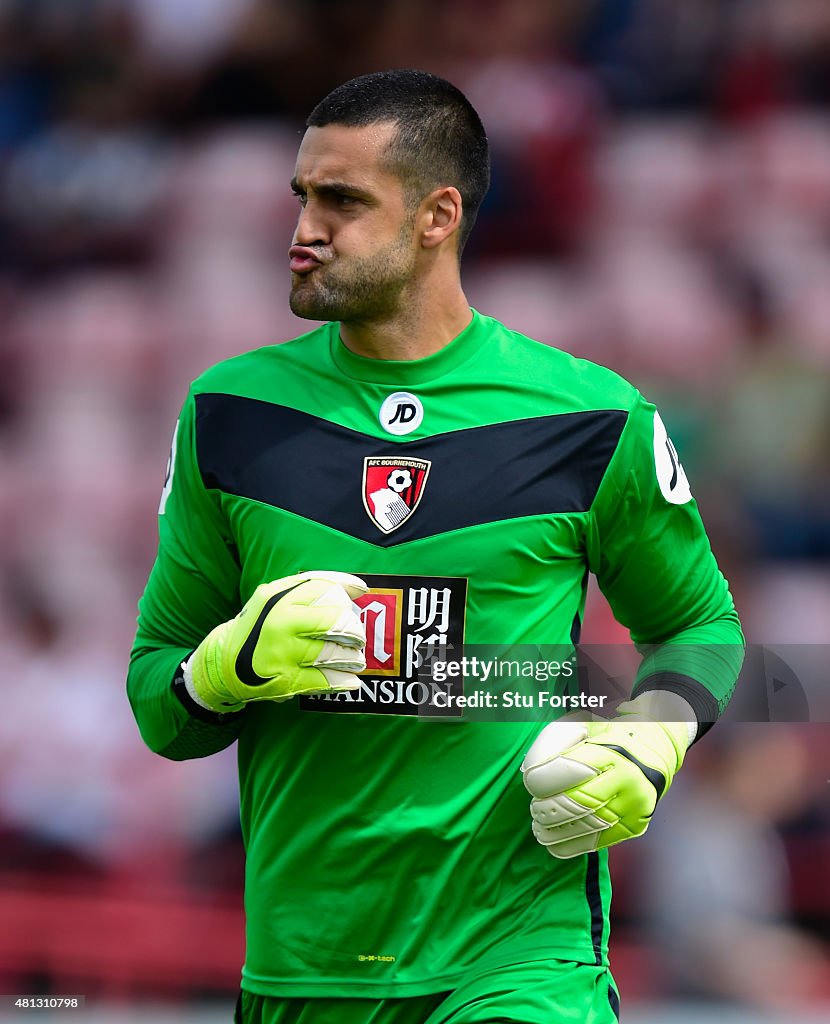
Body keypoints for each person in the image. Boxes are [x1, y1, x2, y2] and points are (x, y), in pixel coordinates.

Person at [127, 70, 744, 1024]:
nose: (304, 229)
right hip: (306, 967)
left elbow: (701, 625)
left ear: (436, 215)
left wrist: (649, 742)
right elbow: (158, 702)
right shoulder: (229, 416)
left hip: (517, 956)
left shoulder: (589, 417)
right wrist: (224, 668)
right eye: (301, 197)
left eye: (342, 201)